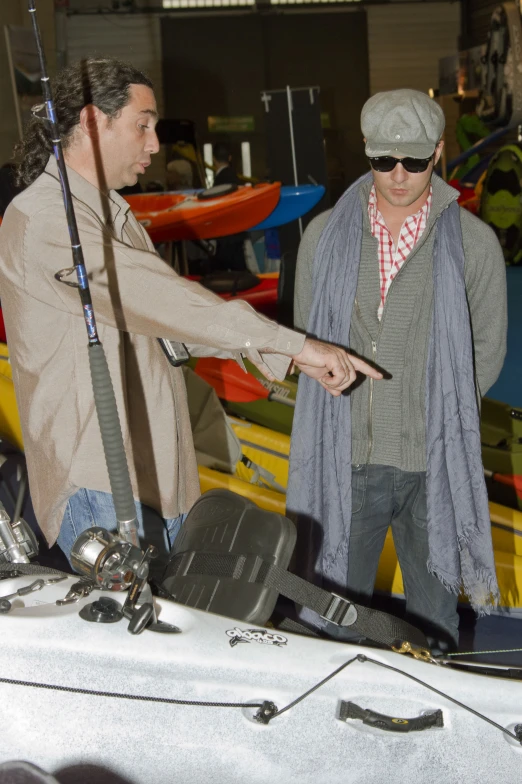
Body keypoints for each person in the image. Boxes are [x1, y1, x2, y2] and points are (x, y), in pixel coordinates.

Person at [0, 58, 381, 567]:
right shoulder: (45, 219)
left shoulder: (112, 212)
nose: (155, 144)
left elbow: (168, 326)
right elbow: (156, 298)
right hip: (103, 482)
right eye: (143, 125)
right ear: (93, 123)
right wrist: (294, 343)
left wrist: (286, 353)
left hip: (155, 472)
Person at [289, 88, 507, 650]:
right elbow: (308, 343)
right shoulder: (322, 239)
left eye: (414, 159)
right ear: (366, 150)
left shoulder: (475, 245)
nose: (400, 175)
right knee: (334, 622)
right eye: (384, 160)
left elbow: (488, 349)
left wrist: (435, 416)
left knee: (433, 630)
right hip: (349, 459)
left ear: (438, 151)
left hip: (434, 464)